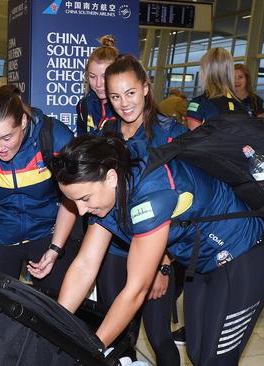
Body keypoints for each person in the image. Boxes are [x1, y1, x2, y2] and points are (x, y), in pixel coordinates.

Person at [51, 135, 264, 365]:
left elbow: (136, 290)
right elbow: (85, 265)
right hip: (200, 263)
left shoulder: (151, 197)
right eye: (74, 201)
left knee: (216, 360)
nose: (80, 210)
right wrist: (54, 329)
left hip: (245, 256)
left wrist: (91, 350)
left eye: (84, 198)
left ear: (111, 177)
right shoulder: (111, 190)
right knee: (198, 354)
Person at [97, 54, 188, 365]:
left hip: (158, 249)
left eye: (131, 92)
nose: (124, 103)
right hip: (116, 247)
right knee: (120, 337)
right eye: (115, 96)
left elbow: (182, 203)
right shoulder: (106, 132)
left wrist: (163, 265)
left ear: (147, 88)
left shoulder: (170, 133)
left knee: (159, 335)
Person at [0, 85, 77, 290]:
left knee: (55, 309)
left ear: (23, 121)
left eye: (6, 137)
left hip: (48, 231)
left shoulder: (56, 139)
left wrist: (56, 247)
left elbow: (71, 198)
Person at [186, 48, 247, 130]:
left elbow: (195, 139)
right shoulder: (240, 105)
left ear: (205, 72)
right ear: (229, 72)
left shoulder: (198, 104)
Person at [75, 35, 119, 137]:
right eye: (92, 76)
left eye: (104, 76)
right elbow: (82, 142)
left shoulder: (126, 108)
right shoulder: (84, 105)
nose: (98, 84)